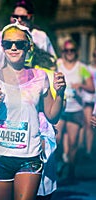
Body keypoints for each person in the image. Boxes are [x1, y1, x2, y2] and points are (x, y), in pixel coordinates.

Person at [0, 20, 66, 200]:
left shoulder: (40, 77)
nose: (14, 48)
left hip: (29, 155)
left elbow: (52, 117)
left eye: (19, 44)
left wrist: (61, 93)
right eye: (8, 44)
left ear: (28, 47)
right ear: (3, 47)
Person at [55, 39, 95, 182]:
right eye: (67, 50)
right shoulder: (57, 64)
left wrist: (81, 85)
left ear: (76, 52)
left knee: (73, 143)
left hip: (76, 109)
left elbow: (92, 88)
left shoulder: (82, 68)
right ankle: (58, 163)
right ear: (63, 52)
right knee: (56, 139)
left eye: (72, 50)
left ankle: (71, 171)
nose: (69, 53)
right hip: (61, 109)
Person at [0, 0, 56, 71]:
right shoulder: (0, 37)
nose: (19, 20)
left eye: (23, 17)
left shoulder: (41, 36)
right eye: (15, 16)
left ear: (31, 17)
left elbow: (51, 63)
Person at [32, 45, 60, 200]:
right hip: (45, 124)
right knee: (45, 179)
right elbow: (59, 105)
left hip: (39, 125)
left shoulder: (13, 74)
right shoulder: (50, 74)